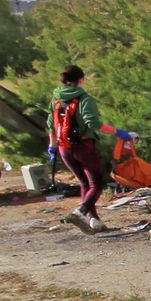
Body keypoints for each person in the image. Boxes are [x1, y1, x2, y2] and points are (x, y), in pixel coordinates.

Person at [47, 64, 131, 234]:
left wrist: (52, 146)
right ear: (80, 80)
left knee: (84, 183)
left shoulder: (56, 99)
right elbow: (93, 123)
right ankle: (80, 212)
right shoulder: (85, 99)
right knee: (97, 184)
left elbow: (50, 125)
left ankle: (94, 221)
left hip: (64, 148)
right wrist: (117, 132)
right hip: (83, 147)